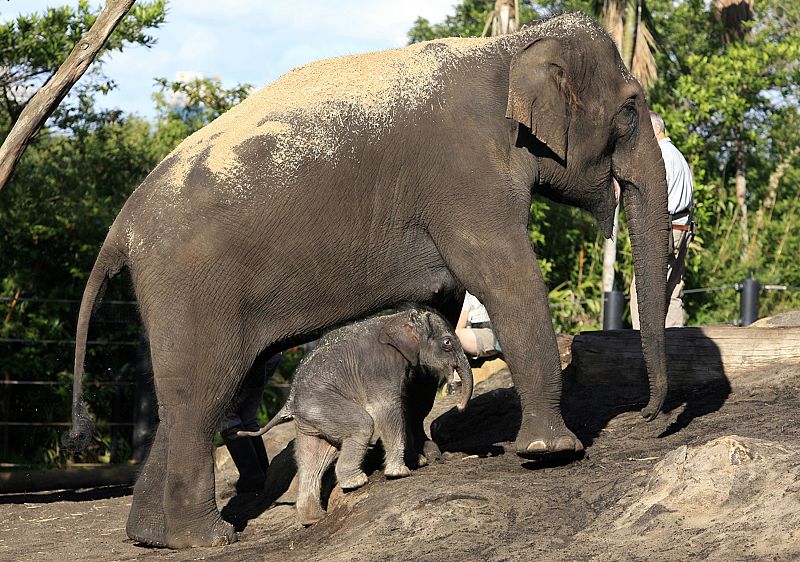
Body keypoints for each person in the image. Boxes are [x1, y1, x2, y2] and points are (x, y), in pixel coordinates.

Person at [630, 111, 694, 329]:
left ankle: (640, 340)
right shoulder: (677, 155)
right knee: (673, 289)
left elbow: (653, 198)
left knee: (643, 289)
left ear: (655, 129)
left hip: (667, 228)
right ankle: (675, 339)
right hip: (682, 226)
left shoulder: (661, 157)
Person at [219, 352, 282, 494]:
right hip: (269, 356)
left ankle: (252, 477)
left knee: (226, 417)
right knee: (247, 417)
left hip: (247, 359)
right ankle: (263, 473)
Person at [456, 291, 502, 360]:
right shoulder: (468, 294)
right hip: (474, 332)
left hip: (491, 330)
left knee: (454, 337)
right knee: (453, 336)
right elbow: (460, 324)